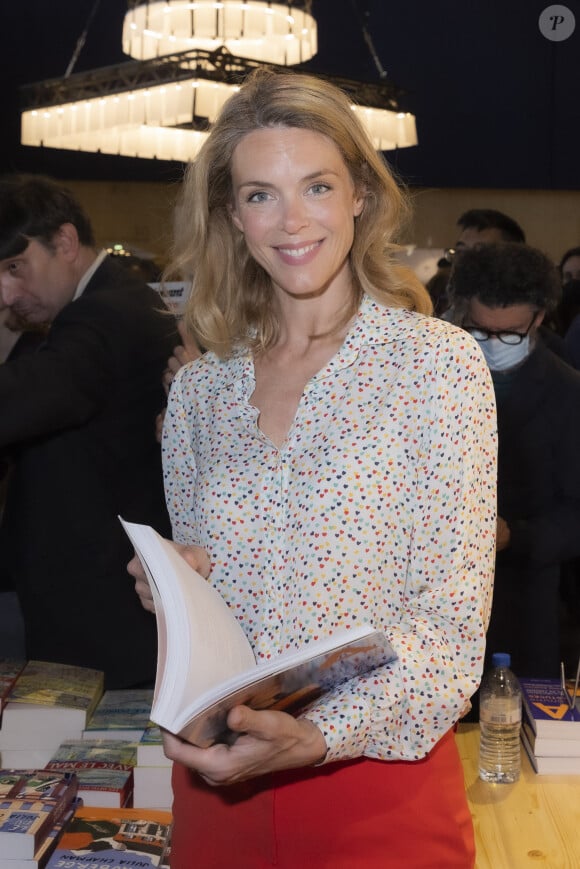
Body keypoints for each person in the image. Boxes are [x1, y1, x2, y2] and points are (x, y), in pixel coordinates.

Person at [130, 68, 497, 868]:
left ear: (360, 193)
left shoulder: (438, 368)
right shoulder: (201, 388)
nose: (291, 221)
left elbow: (451, 634)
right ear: (233, 213)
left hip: (376, 788)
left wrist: (319, 734)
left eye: (317, 186)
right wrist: (175, 590)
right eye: (261, 194)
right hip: (221, 783)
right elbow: (213, 623)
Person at [0, 174, 179, 688]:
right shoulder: (102, 307)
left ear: (66, 242)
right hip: (98, 595)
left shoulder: (106, 313)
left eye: (16, 267)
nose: (8, 293)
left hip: (104, 605)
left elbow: (35, 395)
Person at [448, 241, 580, 683]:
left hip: (524, 605)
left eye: (510, 335)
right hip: (433, 601)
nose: (491, 345)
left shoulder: (568, 395)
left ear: (539, 319)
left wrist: (514, 537)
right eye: (479, 330)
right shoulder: (434, 374)